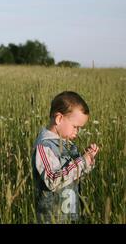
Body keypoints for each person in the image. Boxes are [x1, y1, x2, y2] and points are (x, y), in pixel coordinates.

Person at [32, 91, 100, 223]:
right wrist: (81, 161)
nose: (77, 131)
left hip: (69, 213)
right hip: (51, 217)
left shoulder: (67, 144)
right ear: (59, 119)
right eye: (75, 127)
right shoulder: (45, 147)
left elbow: (74, 173)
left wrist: (88, 160)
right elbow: (52, 180)